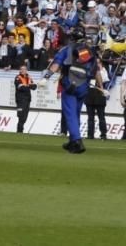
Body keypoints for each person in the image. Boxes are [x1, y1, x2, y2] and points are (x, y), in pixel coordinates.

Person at [43, 25, 102, 154]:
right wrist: (102, 87)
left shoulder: (67, 49)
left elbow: (56, 65)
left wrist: (46, 77)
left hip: (70, 84)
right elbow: (96, 71)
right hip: (84, 86)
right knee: (76, 113)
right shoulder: (90, 51)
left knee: (70, 114)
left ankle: (77, 141)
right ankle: (71, 141)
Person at [86, 59, 109, 140]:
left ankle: (103, 134)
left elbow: (104, 81)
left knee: (101, 116)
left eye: (98, 63)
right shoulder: (89, 71)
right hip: (90, 95)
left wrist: (97, 72)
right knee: (90, 117)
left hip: (100, 96)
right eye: (95, 63)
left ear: (101, 63)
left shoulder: (103, 71)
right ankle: (90, 134)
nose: (97, 64)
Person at [14, 63, 36, 133]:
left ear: (26, 70)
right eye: (22, 69)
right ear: (20, 70)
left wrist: (28, 85)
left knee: (25, 117)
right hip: (20, 100)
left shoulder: (29, 77)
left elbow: (34, 87)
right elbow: (21, 88)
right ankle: (19, 131)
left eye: (24, 69)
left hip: (27, 99)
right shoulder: (17, 77)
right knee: (21, 115)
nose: (23, 70)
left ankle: (20, 130)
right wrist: (29, 85)